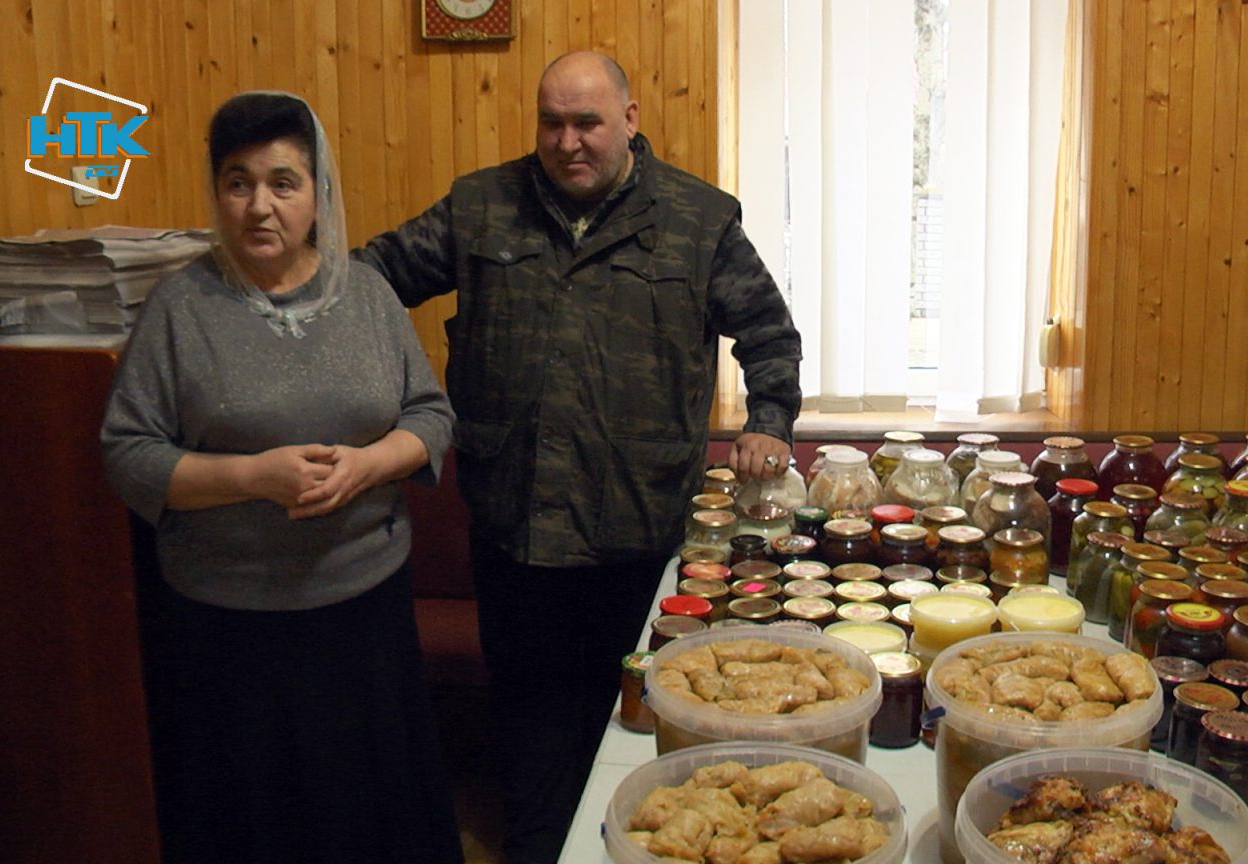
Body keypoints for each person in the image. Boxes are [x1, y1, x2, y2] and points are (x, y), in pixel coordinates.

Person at [355, 51, 803, 862]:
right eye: (551, 123)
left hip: (639, 532)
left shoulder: (700, 220)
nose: (568, 142)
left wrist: (768, 420)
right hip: (511, 529)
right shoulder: (480, 207)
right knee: (527, 725)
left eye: (587, 123)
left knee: (635, 722)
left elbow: (770, 332)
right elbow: (370, 281)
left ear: (630, 120)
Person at [101, 91, 463, 864]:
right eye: (238, 182)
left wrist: (369, 465)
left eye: (283, 182)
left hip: (363, 614)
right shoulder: (179, 308)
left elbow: (431, 415)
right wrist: (251, 476)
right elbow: (128, 452)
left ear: (318, 193)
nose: (259, 206)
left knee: (369, 821)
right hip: (229, 627)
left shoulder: (366, 294)